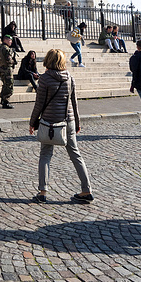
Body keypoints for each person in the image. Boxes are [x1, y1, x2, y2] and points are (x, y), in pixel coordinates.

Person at [29, 49, 93, 204]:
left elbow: (39, 104)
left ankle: (42, 192)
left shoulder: (44, 79)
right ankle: (86, 190)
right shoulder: (69, 77)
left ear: (48, 61)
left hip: (49, 121)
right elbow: (74, 103)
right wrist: (77, 122)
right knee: (75, 155)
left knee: (45, 155)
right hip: (67, 120)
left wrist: (32, 123)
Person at [0, 34, 17, 109]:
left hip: (1, 68)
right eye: (9, 40)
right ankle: (6, 101)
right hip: (7, 69)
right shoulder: (6, 49)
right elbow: (9, 60)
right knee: (9, 84)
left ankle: (3, 99)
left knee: (5, 84)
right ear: (5, 40)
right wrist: (13, 62)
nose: (11, 42)